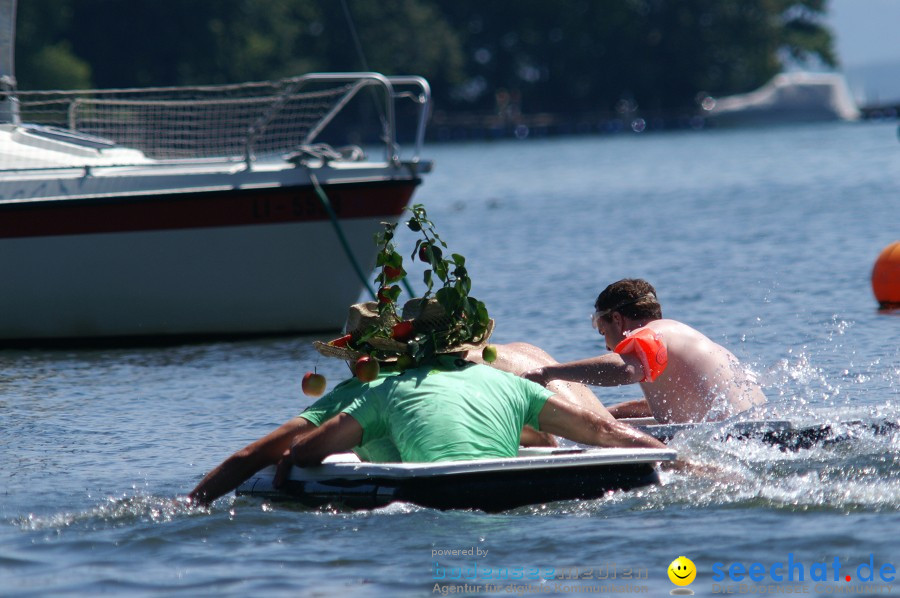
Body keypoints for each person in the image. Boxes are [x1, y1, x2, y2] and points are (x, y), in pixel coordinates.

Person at [188, 301, 644, 505]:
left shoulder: (376, 391)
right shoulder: (505, 381)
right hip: (525, 492)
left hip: (440, 497)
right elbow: (591, 434)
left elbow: (265, 456)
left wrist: (291, 459)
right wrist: (677, 460)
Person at [284, 297, 666, 468]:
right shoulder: (517, 357)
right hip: (602, 437)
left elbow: (294, 449)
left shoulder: (401, 387)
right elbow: (584, 429)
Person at [522, 279, 766, 424]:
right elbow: (686, 405)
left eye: (602, 331)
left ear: (617, 319)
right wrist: (612, 413)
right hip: (760, 431)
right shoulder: (685, 336)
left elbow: (626, 370)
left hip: (734, 441)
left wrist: (547, 373)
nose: (607, 346)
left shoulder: (650, 334)